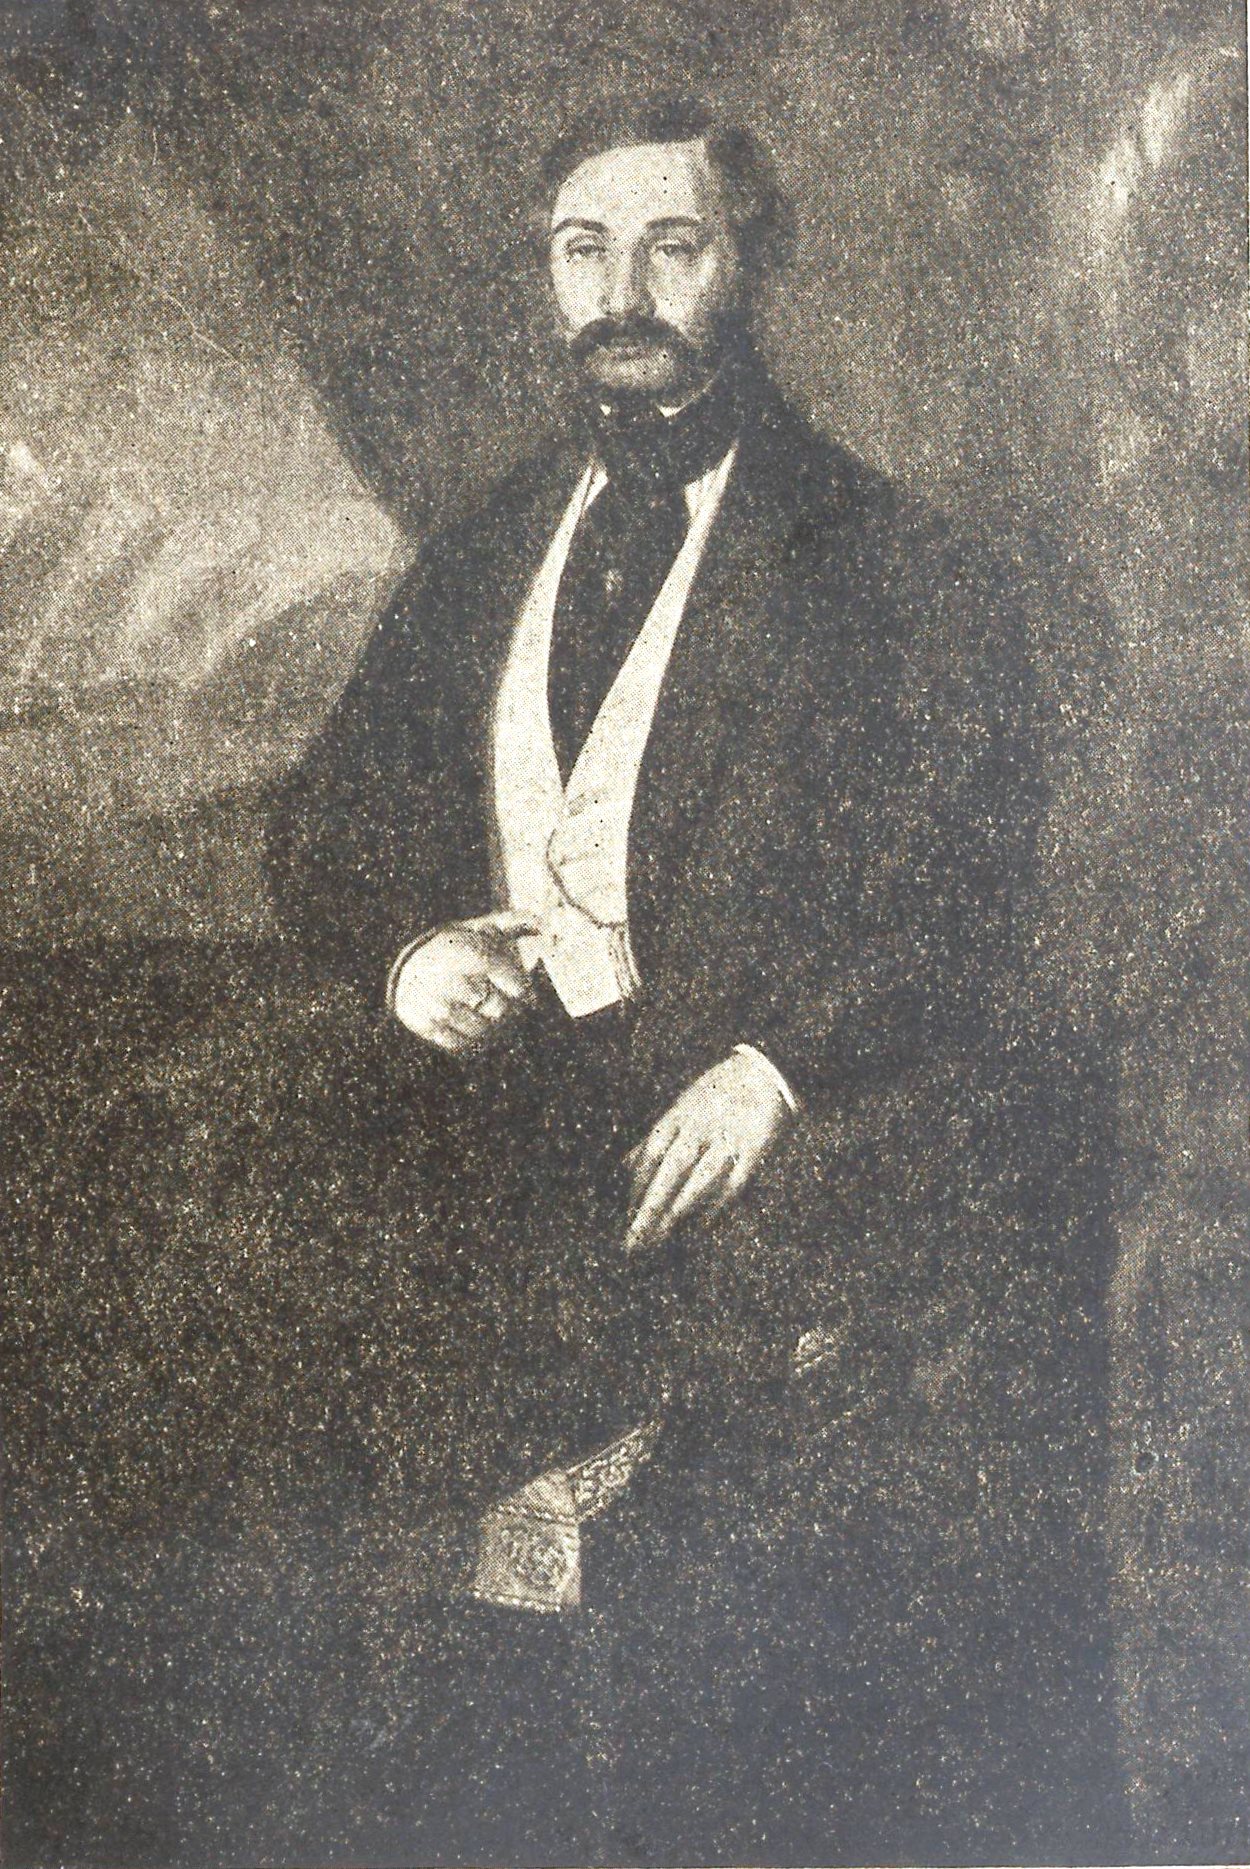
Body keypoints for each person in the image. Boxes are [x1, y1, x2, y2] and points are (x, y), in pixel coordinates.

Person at [7, 95, 1047, 1865]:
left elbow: (964, 892)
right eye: (582, 251)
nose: (619, 294)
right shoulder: (496, 539)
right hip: (490, 1100)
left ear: (750, 268)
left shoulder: (895, 565)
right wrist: (413, 952)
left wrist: (777, 1064)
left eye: (671, 245)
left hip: (709, 1120)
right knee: (152, 1187)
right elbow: (330, 820)